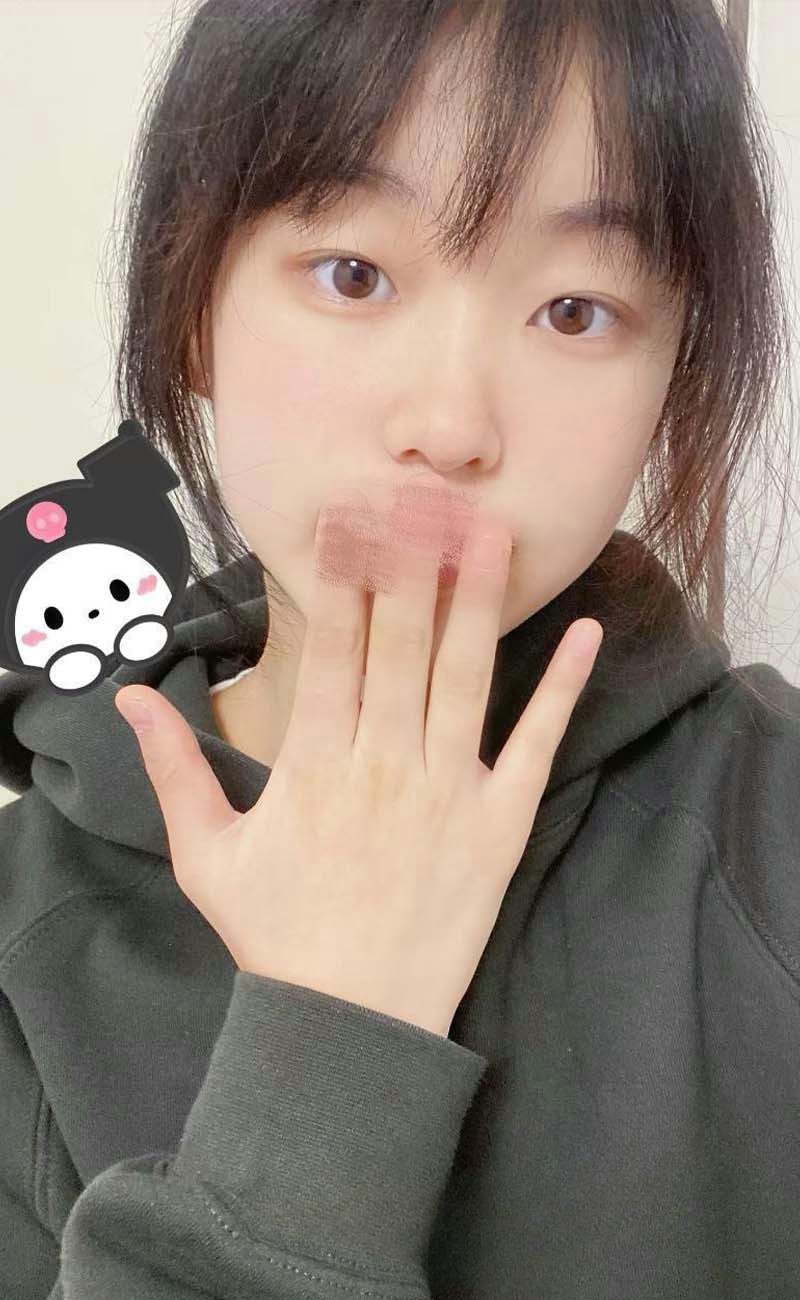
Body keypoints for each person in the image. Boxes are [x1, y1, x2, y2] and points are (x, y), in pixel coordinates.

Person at [0, 1, 798, 1296]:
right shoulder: (23, 945)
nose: (451, 425)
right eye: (353, 275)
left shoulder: (776, 831)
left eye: (576, 309)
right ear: (193, 307)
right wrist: (335, 1036)